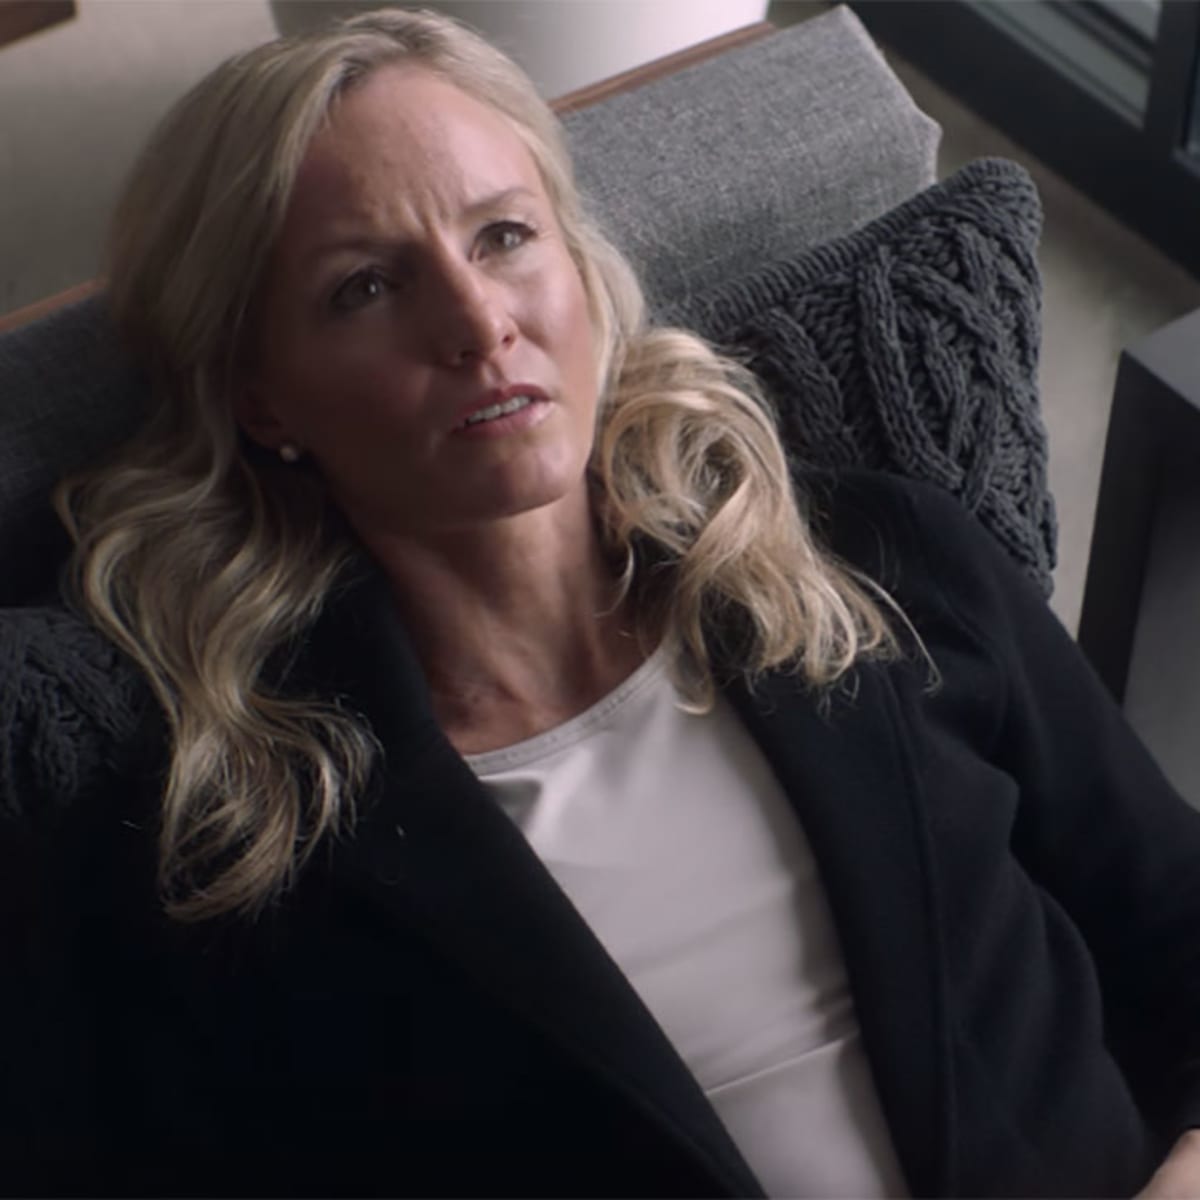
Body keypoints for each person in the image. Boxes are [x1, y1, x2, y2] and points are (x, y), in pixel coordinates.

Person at [3, 8, 1199, 1198]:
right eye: (365, 286)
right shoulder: (238, 847)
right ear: (262, 400)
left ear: (578, 263)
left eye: (505, 235)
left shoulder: (885, 562)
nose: (479, 323)